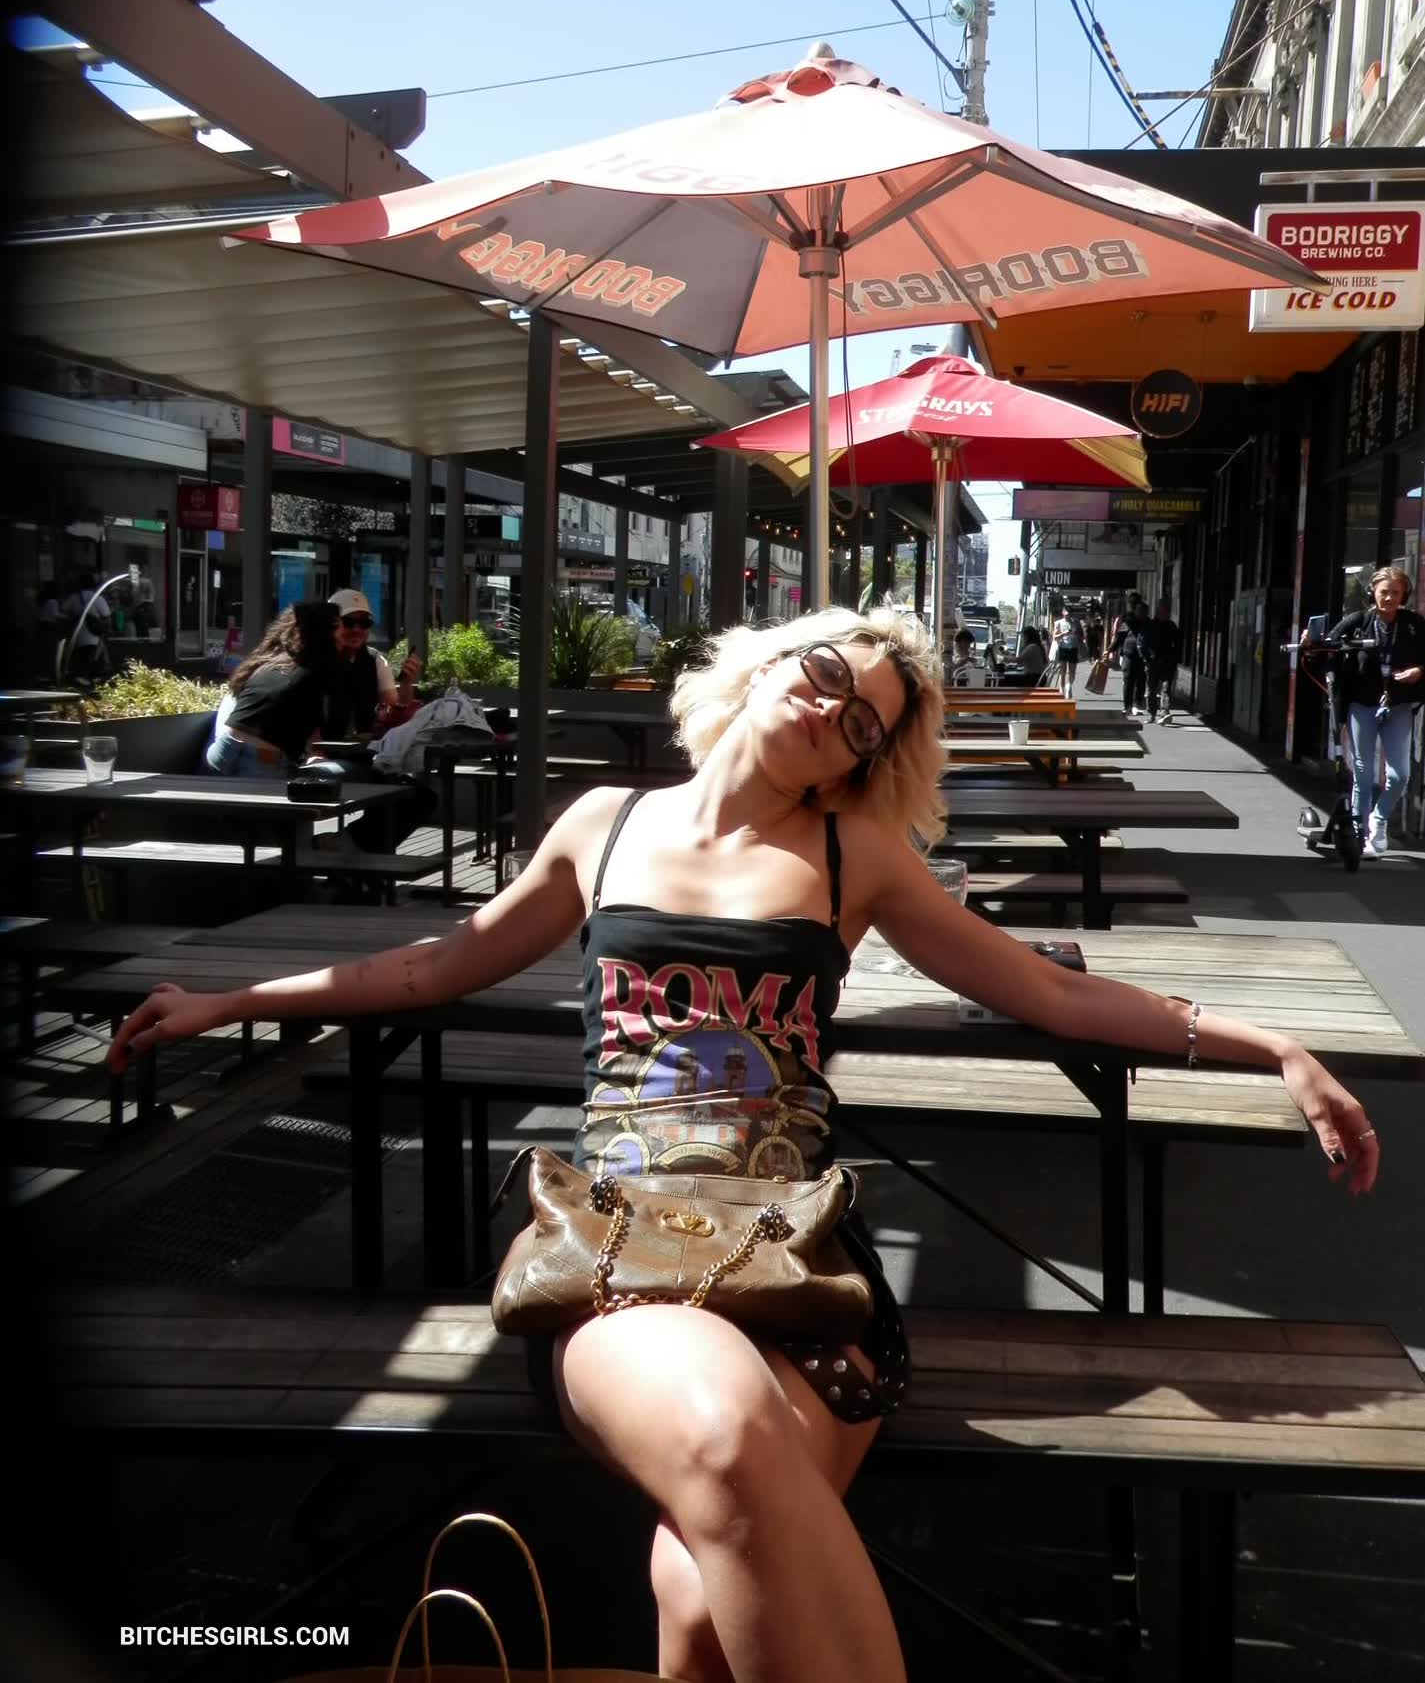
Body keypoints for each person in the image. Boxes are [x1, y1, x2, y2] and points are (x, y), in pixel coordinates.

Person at [107, 604, 1379, 1683]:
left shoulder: (852, 851)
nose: (835, 712)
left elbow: (1047, 991)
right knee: (722, 1440)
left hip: (799, 1261)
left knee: (702, 1593)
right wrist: (233, 1002)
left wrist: (1268, 1043)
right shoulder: (602, 825)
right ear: (762, 664)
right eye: (825, 675)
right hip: (616, 1256)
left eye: (866, 721)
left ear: (860, 763)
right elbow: (432, 964)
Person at [1320, 565, 1425, 857]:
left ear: (1404, 595)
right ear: (1372, 593)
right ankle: (1358, 834)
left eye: (1396, 593)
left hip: (1397, 704)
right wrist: (1310, 640)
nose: (1389, 598)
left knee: (1400, 775)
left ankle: (1378, 821)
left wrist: (1419, 670)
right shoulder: (1357, 621)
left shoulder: (1414, 624)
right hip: (1362, 703)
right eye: (1384, 592)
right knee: (1363, 774)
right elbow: (1325, 646)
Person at [203, 600, 340, 776]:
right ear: (324, 634)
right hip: (262, 759)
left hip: (224, 746)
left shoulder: (270, 661)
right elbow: (313, 725)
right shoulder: (312, 672)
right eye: (336, 628)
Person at [323, 589, 423, 739]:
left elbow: (392, 714)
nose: (357, 629)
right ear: (332, 625)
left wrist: (406, 684)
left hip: (364, 748)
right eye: (349, 622)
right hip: (321, 749)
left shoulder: (376, 661)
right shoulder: (317, 661)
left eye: (364, 623)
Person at [61, 573, 112, 682]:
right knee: (94, 658)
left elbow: (63, 611)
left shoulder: (73, 598)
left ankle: (79, 677)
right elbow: (107, 616)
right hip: (94, 635)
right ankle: (92, 678)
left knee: (78, 659)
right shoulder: (97, 598)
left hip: (76, 635)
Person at [1144, 598, 1183, 724]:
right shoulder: (1151, 625)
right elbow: (1144, 642)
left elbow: (1178, 645)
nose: (1165, 613)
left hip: (1168, 662)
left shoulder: (1172, 626)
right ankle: (1151, 713)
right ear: (1158, 610)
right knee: (1152, 688)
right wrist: (1147, 657)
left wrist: (1175, 660)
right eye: (1163, 610)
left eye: (1167, 610)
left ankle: (1164, 712)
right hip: (1153, 662)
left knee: (1166, 688)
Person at [1113, 598, 1151, 719]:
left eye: (1144, 612)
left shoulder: (1149, 624)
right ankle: (1127, 706)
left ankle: (1137, 705)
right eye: (1140, 611)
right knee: (1128, 681)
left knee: (1141, 682)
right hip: (1129, 656)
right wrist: (1110, 649)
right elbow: (1119, 638)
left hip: (1143, 657)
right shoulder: (1128, 622)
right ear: (1136, 612)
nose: (1142, 614)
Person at [1049, 605, 1081, 698]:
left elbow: (1081, 635)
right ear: (1063, 613)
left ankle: (1069, 686)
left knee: (1072, 671)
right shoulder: (1058, 623)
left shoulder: (1076, 622)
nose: (1067, 616)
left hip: (1073, 648)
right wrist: (1063, 633)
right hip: (1063, 648)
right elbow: (1055, 637)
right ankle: (1062, 689)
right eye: (1066, 614)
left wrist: (1077, 634)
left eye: (1069, 614)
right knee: (1063, 671)